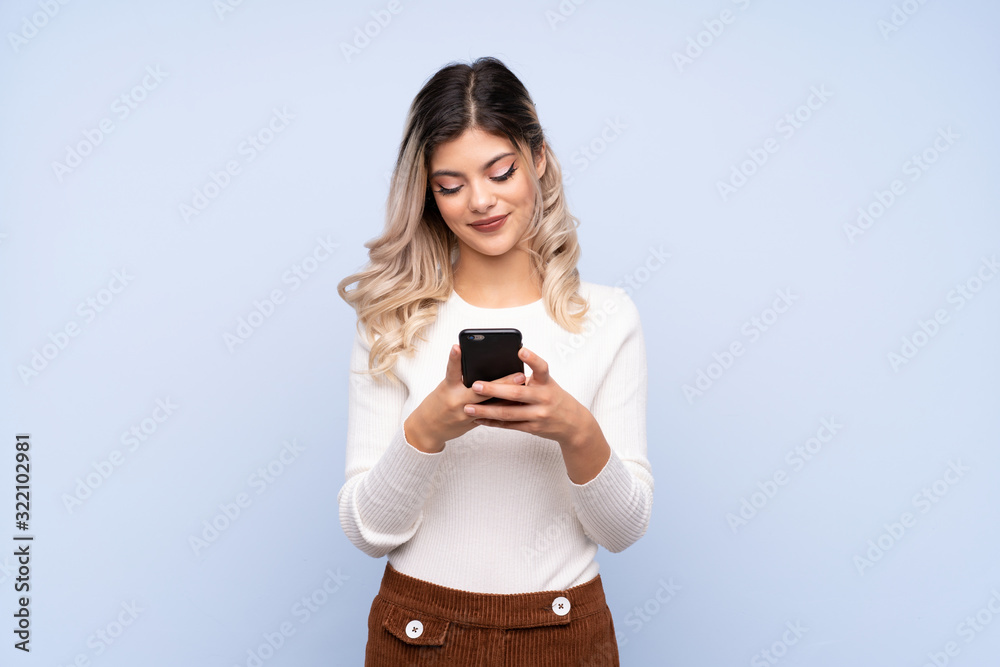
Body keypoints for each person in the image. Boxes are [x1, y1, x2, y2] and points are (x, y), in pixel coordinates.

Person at [337, 55, 654, 666]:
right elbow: (368, 532)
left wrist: (574, 429)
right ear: (427, 195)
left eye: (500, 171)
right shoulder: (392, 319)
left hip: (564, 635)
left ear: (536, 156)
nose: (479, 202)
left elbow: (623, 530)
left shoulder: (610, 318)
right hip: (419, 634)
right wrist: (428, 429)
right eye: (450, 185)